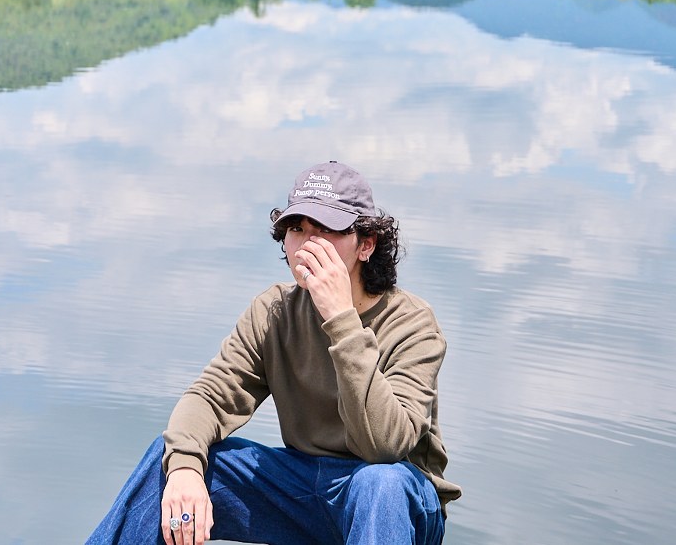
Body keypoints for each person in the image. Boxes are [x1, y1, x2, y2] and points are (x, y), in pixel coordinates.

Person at [85, 161, 460, 545]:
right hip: (301, 488)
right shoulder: (274, 311)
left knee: (379, 482)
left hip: (396, 500)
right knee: (174, 456)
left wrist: (341, 318)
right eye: (297, 229)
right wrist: (184, 468)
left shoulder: (413, 324)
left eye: (326, 230)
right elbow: (210, 397)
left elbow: (383, 447)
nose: (307, 244)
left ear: (366, 244)